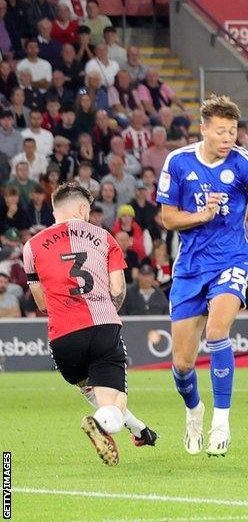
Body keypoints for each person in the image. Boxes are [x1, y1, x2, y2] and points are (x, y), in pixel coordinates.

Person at [156, 95, 248, 456]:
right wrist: (201, 216)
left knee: (216, 332)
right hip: (190, 266)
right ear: (204, 130)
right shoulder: (178, 162)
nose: (229, 137)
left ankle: (221, 423)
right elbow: (167, 218)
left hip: (232, 259)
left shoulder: (246, 164)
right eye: (222, 131)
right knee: (182, 364)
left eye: (233, 130)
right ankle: (194, 411)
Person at [23, 183, 158, 466]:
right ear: (83, 208)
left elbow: (42, 303)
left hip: (62, 340)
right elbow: (118, 289)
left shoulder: (31, 246)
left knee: (100, 397)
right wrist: (106, 311)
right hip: (101, 328)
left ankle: (138, 429)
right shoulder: (104, 237)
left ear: (54, 208)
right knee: (114, 401)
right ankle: (103, 425)